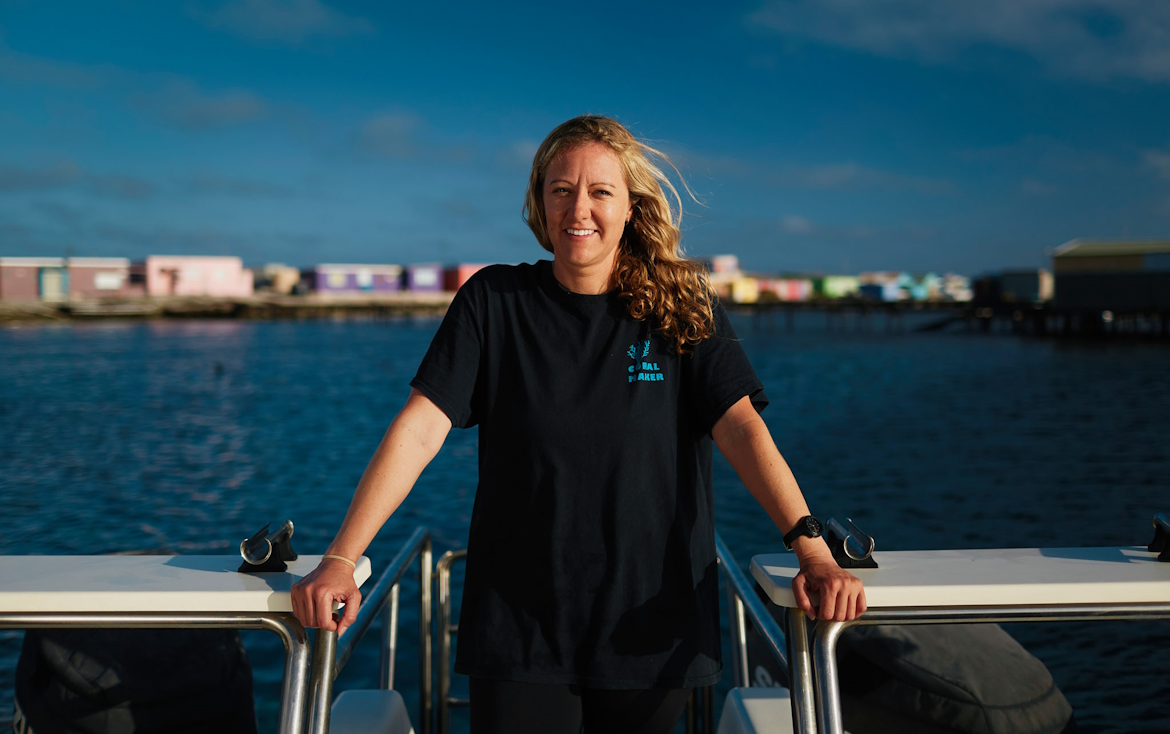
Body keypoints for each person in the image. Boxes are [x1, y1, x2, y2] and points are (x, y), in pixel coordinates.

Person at [291, 114, 866, 734]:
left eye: (599, 191)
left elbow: (742, 430)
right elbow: (418, 431)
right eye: (561, 189)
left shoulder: (683, 304)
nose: (578, 209)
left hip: (651, 624)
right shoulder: (493, 302)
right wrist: (341, 559)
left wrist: (812, 550)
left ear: (629, 207)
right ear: (539, 201)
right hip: (519, 626)